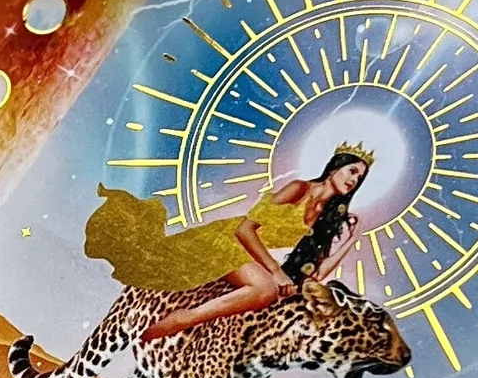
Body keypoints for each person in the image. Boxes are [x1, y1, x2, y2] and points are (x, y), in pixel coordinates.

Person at [75, 147, 377, 349]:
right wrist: (275, 271)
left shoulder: (323, 219)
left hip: (250, 255)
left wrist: (351, 238)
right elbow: (244, 229)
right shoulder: (298, 188)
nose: (354, 180)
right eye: (352, 171)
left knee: (273, 297)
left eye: (360, 179)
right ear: (335, 167)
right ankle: (185, 318)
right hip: (229, 240)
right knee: (266, 289)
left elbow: (317, 274)